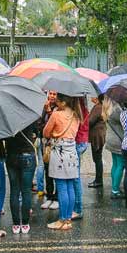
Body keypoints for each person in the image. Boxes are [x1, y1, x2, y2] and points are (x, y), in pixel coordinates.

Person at [42, 94, 81, 231]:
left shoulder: (57, 115)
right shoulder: (76, 114)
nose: (56, 101)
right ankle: (68, 219)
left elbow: (46, 132)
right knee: (69, 186)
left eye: (58, 99)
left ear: (63, 102)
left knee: (62, 187)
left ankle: (62, 220)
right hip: (72, 152)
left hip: (59, 152)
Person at [5, 122, 38, 234]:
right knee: (26, 191)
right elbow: (36, 132)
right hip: (27, 154)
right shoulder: (28, 116)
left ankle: (15, 224)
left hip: (11, 155)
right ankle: (25, 223)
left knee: (14, 191)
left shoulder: (6, 118)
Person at [102, 96, 126, 199]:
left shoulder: (107, 107)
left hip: (111, 139)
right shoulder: (117, 110)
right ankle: (115, 190)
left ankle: (114, 186)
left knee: (115, 164)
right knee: (120, 165)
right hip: (118, 140)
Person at [87, 96, 106, 189]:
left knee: (97, 159)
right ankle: (98, 180)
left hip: (97, 137)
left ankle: (98, 180)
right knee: (98, 158)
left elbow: (90, 121)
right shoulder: (100, 106)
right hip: (98, 136)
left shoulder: (98, 107)